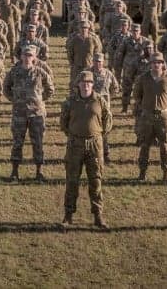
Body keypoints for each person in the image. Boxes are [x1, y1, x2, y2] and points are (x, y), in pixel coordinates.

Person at [60, 70, 113, 229]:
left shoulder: (100, 100)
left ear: (93, 84)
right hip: (75, 145)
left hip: (95, 145)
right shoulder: (70, 102)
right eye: (83, 83)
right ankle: (68, 215)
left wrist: (98, 135)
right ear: (78, 85)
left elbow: (108, 120)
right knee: (72, 180)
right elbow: (63, 122)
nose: (86, 85)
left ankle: (98, 215)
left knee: (95, 180)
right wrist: (74, 135)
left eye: (89, 82)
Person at [3, 48, 55, 181]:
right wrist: (14, 100)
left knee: (38, 142)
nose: (27, 57)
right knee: (17, 142)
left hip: (36, 114)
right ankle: (14, 171)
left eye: (30, 55)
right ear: (21, 56)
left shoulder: (40, 72)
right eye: (25, 55)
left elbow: (50, 88)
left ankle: (39, 171)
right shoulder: (14, 72)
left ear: (34, 57)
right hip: (19, 113)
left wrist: (40, 100)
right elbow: (6, 88)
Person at [132, 52, 167, 183]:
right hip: (147, 116)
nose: (156, 65)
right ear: (150, 64)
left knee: (165, 145)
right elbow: (137, 95)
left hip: (163, 116)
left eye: (159, 62)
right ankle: (142, 173)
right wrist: (145, 106)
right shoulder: (143, 78)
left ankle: (166, 174)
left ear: (163, 64)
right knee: (145, 145)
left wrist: (164, 106)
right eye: (154, 62)